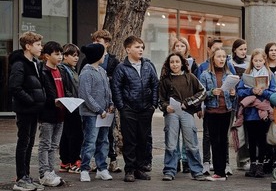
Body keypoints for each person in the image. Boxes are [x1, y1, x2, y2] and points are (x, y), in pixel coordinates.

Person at [159, 52, 213, 181]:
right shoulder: (165, 80)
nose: (175, 64)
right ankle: (169, 170)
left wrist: (188, 102)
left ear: (182, 63)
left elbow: (202, 92)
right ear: (168, 64)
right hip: (171, 114)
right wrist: (166, 107)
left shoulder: (190, 77)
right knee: (171, 143)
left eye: (177, 62)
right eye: (172, 62)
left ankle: (196, 170)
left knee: (191, 143)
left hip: (187, 113)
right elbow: (160, 99)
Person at [111, 36, 159, 182]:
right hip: (129, 109)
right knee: (130, 140)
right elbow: (116, 88)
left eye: (142, 47)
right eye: (137, 47)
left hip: (146, 109)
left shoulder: (148, 65)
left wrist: (153, 104)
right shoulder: (121, 68)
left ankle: (139, 168)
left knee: (143, 139)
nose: (141, 50)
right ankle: (130, 170)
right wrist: (122, 107)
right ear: (128, 49)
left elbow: (155, 84)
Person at [78, 30, 122, 173]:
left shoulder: (105, 68)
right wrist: (99, 109)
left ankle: (102, 167)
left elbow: (109, 88)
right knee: (90, 140)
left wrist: (110, 104)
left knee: (105, 139)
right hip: (93, 112)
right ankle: (85, 168)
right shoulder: (86, 70)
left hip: (105, 111)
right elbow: (85, 93)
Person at [9, 31, 46, 191]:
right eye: (37, 45)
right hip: (25, 109)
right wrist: (31, 100)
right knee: (23, 142)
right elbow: (15, 87)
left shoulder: (36, 63)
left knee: (30, 142)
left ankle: (26, 176)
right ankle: (20, 178)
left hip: (34, 109)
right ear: (28, 46)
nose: (41, 47)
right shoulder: (20, 64)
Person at [199, 48, 238, 180]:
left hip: (226, 110)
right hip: (212, 111)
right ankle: (218, 171)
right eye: (219, 57)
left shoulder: (229, 74)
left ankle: (221, 171)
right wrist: (211, 92)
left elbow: (233, 96)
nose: (222, 59)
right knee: (215, 141)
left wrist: (233, 94)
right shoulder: (205, 74)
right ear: (213, 59)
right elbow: (201, 94)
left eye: (223, 57)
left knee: (223, 141)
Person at [237, 48, 276, 178]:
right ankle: (253, 164)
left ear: (264, 60)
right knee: (252, 140)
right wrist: (251, 91)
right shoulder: (247, 74)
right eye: (255, 60)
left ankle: (260, 165)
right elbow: (240, 91)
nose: (258, 63)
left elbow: (274, 93)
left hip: (263, 111)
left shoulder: (270, 75)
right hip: (250, 112)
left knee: (262, 139)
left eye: (260, 60)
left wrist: (263, 92)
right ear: (252, 61)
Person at [37, 41, 70, 187]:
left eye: (61, 54)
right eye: (57, 54)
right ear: (46, 56)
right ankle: (44, 173)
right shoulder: (43, 72)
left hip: (61, 113)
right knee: (45, 144)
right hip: (48, 113)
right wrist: (52, 102)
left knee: (54, 144)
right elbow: (43, 93)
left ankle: (51, 171)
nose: (60, 57)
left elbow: (65, 89)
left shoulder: (61, 71)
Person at [171, 37, 197, 173]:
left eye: (182, 45)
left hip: (188, 105)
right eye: (177, 45)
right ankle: (175, 162)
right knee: (174, 135)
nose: (179, 48)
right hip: (173, 105)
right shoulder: (170, 63)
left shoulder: (193, 64)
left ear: (186, 48)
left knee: (188, 135)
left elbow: (198, 85)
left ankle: (187, 161)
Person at [59, 44, 83, 174]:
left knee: (70, 133)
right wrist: (72, 99)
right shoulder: (63, 69)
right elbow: (65, 88)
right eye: (73, 55)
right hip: (70, 105)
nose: (76, 58)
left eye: (77, 55)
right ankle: (72, 160)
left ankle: (67, 160)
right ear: (65, 56)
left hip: (75, 104)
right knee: (73, 134)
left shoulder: (72, 69)